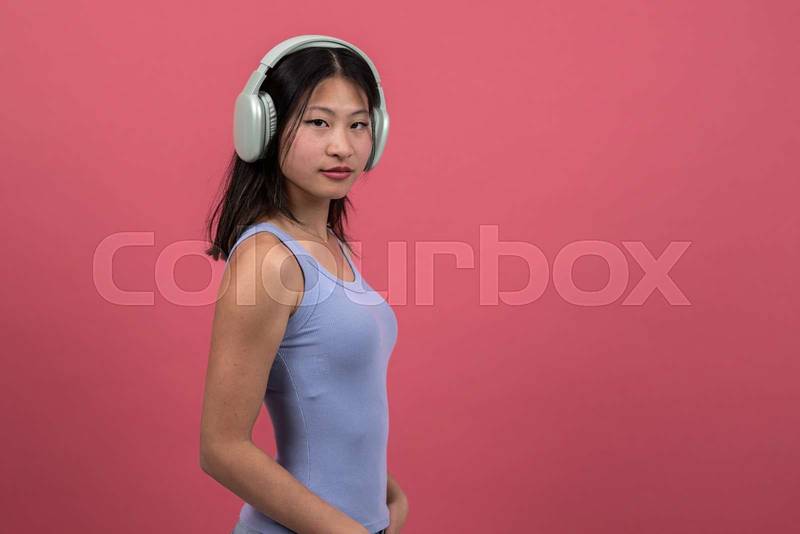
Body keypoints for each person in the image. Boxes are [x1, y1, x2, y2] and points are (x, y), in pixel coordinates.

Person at [199, 35, 409, 534]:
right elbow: (221, 447)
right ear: (264, 129)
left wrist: (388, 499)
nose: (343, 145)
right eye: (319, 122)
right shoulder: (269, 259)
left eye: (358, 125)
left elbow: (338, 409)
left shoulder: (329, 245)